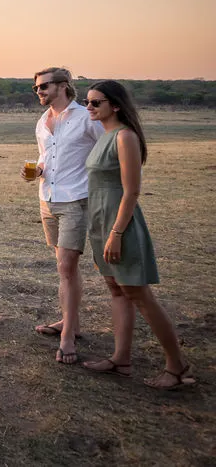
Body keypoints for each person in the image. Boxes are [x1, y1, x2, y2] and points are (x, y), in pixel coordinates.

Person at [80, 80, 195, 389]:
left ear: (115, 105)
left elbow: (131, 192)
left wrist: (117, 233)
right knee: (117, 291)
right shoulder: (104, 135)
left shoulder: (125, 137)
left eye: (95, 103)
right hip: (100, 222)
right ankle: (121, 358)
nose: (88, 107)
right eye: (87, 102)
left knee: (139, 295)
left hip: (121, 224)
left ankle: (177, 366)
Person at [26, 67, 104, 365]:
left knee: (66, 267)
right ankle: (70, 321)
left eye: (44, 86)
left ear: (63, 86)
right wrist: (38, 170)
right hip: (48, 199)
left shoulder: (86, 118)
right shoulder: (43, 122)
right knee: (64, 269)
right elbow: (47, 158)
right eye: (36, 88)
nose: (39, 92)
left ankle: (68, 335)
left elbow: (106, 151)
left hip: (76, 200)